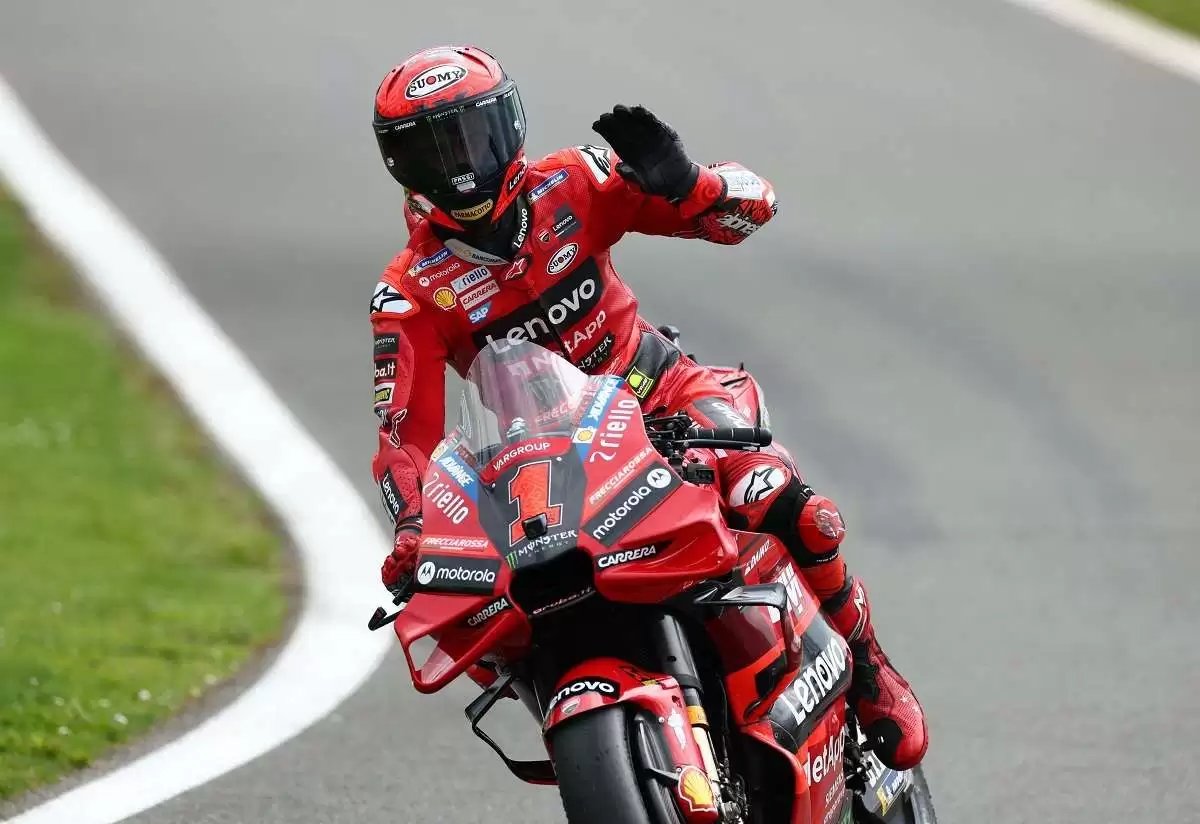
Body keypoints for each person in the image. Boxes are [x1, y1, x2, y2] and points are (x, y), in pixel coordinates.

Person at [368, 44, 927, 770]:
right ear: (400, 166)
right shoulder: (409, 292)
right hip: (542, 462)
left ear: (510, 126)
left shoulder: (577, 182)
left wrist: (692, 184)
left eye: (471, 138)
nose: (461, 168)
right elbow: (404, 438)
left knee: (777, 495)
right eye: (433, 152)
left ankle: (871, 669)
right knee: (487, 613)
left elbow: (752, 210)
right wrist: (413, 528)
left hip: (664, 399)